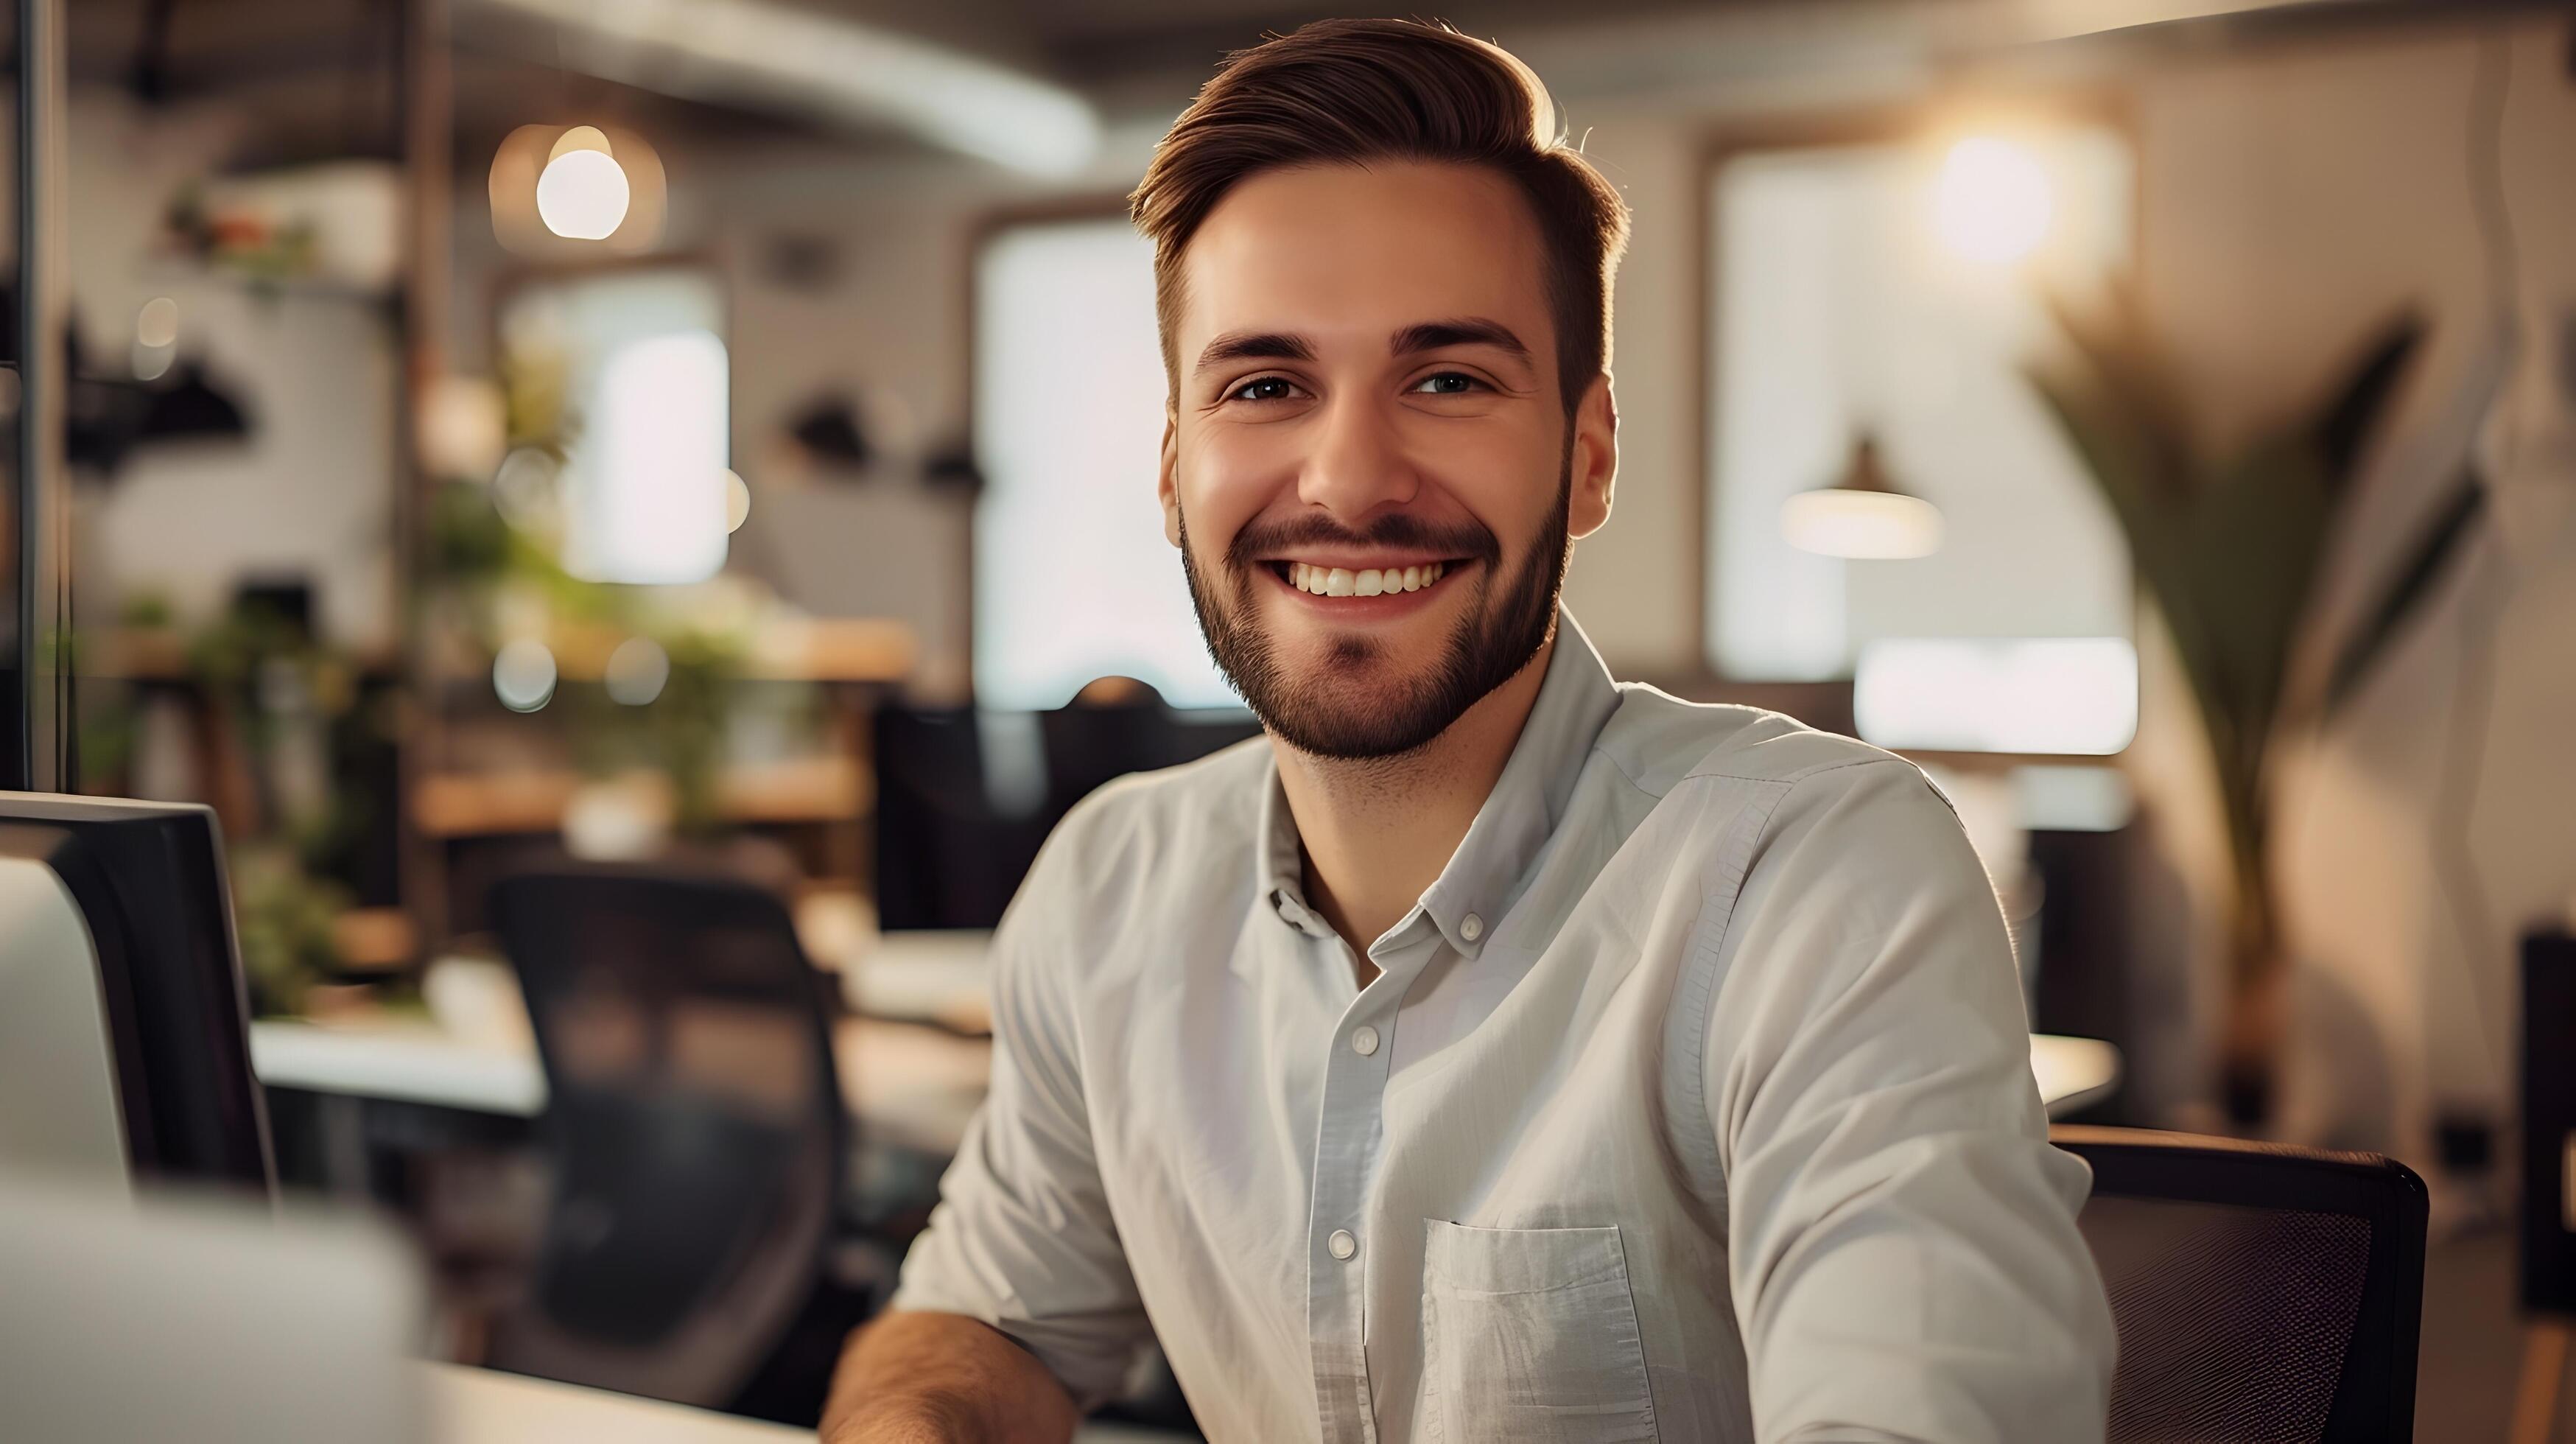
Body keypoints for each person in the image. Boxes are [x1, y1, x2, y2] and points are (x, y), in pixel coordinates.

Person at [824, 18, 2114, 1443]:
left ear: (1588, 454)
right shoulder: (1109, 890)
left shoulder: (1805, 878)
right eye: (1264, 385)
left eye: (1447, 379)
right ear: (1176, 460)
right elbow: (982, 1326)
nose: (1350, 479)